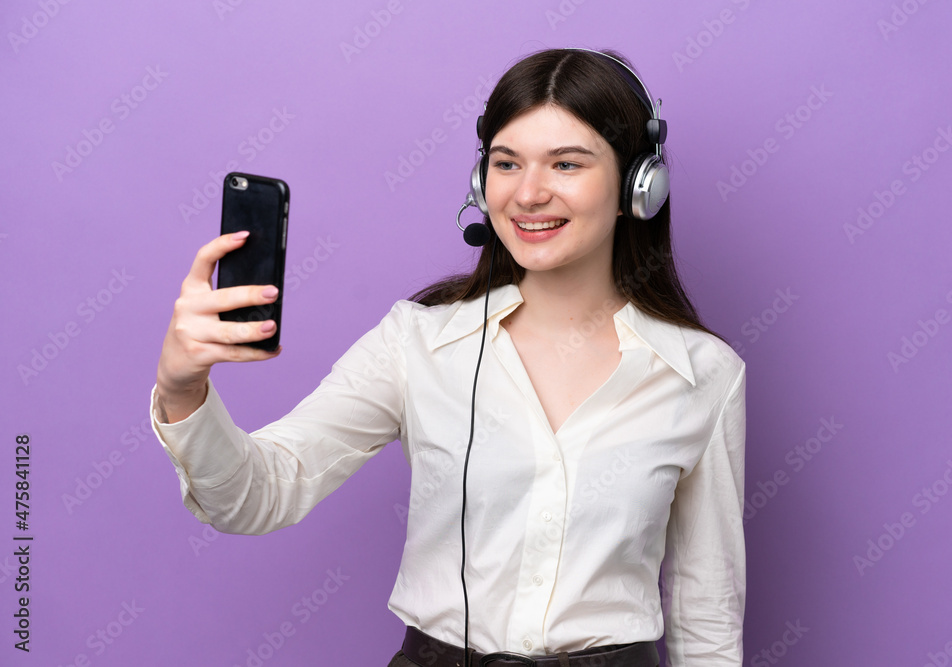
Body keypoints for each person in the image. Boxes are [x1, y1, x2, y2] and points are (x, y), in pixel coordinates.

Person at [152, 48, 746, 667]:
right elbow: (257, 494)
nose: (529, 193)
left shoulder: (704, 375)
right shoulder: (417, 344)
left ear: (637, 186)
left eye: (567, 163)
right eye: (506, 164)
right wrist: (181, 388)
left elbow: (707, 613)